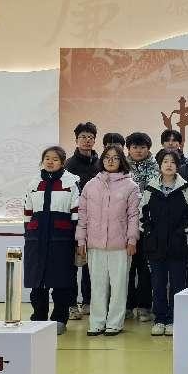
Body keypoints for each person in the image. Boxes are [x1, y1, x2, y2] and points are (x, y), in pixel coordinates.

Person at [76, 144, 140, 337]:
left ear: (122, 161)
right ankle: (97, 322)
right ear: (102, 160)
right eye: (107, 157)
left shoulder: (131, 186)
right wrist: (81, 240)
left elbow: (134, 216)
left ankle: (114, 323)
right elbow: (82, 215)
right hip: (95, 244)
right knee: (97, 285)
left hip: (120, 245)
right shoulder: (90, 185)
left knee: (119, 286)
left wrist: (132, 239)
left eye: (115, 158)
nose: (111, 161)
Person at [23, 146, 81, 335]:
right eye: (47, 158)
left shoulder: (71, 182)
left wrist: (76, 240)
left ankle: (59, 319)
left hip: (61, 240)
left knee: (61, 282)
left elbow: (76, 213)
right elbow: (28, 211)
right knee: (37, 283)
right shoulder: (34, 182)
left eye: (55, 159)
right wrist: (29, 234)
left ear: (62, 162)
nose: (50, 162)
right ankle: (38, 318)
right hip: (36, 239)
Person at [139, 150, 188, 336]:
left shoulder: (186, 188)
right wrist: (150, 233)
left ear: (177, 166)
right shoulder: (150, 188)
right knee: (158, 283)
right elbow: (142, 215)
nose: (169, 165)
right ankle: (160, 318)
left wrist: (181, 233)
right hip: (155, 245)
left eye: (172, 162)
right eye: (165, 161)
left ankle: (174, 319)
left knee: (178, 283)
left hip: (178, 244)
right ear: (160, 165)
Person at [65, 121, 99, 321]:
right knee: (70, 265)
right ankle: (71, 304)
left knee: (90, 265)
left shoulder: (100, 164)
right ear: (76, 140)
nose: (87, 141)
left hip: (95, 221)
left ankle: (88, 301)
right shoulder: (68, 165)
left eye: (90, 137)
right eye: (83, 137)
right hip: (73, 221)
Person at [125, 132, 159, 323]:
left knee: (146, 268)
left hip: (149, 225)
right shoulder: (121, 168)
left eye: (142, 147)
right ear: (128, 149)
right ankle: (128, 306)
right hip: (125, 225)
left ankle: (144, 306)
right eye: (135, 147)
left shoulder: (157, 168)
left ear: (148, 149)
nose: (138, 150)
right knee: (127, 268)